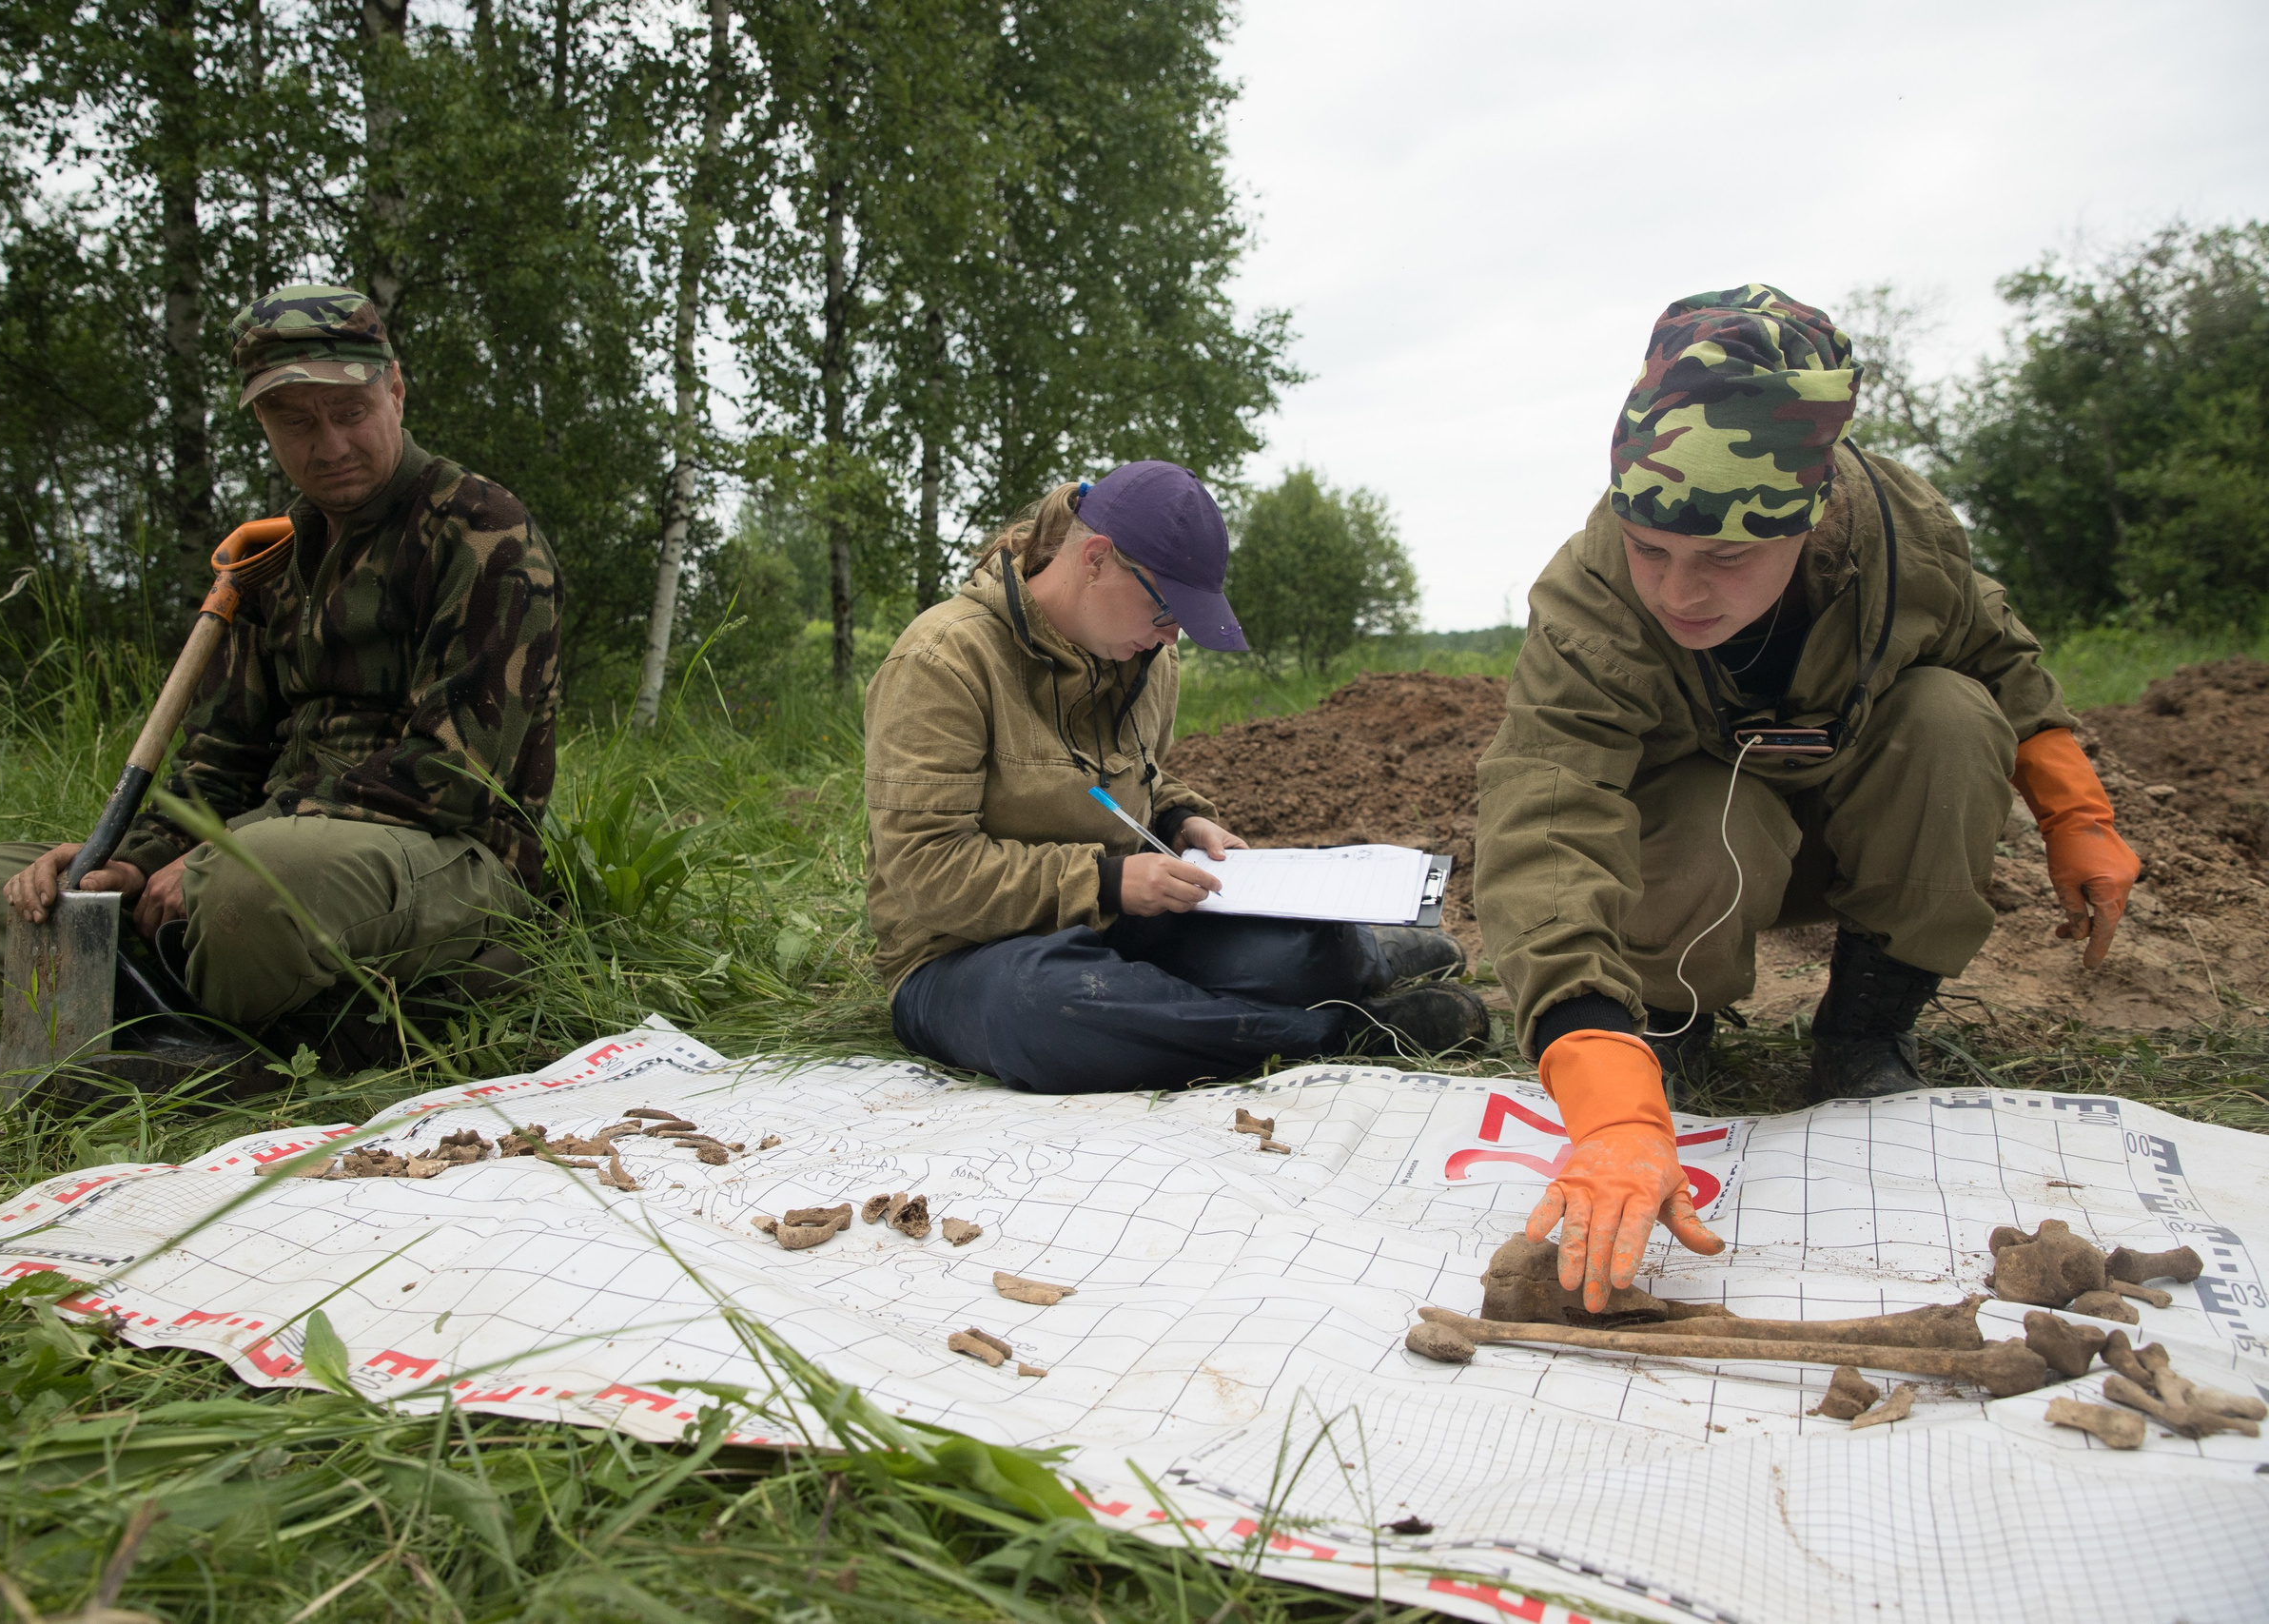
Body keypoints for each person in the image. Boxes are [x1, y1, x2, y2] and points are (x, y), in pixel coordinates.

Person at [1472, 284, 2142, 1309]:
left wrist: (2075, 815)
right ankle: (1665, 1032)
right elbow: (1546, 807)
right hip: (1702, 854)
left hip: (1868, 827)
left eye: (1726, 558)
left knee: (1953, 716)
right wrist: (1601, 1075)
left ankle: (1865, 1031)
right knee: (1713, 810)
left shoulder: (1904, 534)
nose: (1678, 592)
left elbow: (1996, 654)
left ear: (1813, 514)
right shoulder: (1592, 594)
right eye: (1651, 551)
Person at [0, 284, 561, 1071]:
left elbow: (453, 777)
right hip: (263, 857)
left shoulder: (482, 531)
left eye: (351, 411)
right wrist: (133, 859)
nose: (330, 444)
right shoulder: (267, 554)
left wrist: (222, 855)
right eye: (296, 421)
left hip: (448, 858)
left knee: (248, 893)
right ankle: (213, 1025)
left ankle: (176, 1025)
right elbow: (218, 761)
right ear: (262, 423)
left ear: (396, 391)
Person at [867, 460, 1487, 1093]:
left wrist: (1178, 818)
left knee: (1299, 949)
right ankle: (1342, 1032)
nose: (1172, 634)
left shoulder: (1144, 656)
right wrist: (1106, 882)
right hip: (965, 954)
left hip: (1120, 918)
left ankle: (1361, 960)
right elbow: (925, 868)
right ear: (1096, 560)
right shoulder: (943, 661)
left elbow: (1138, 779)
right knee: (1047, 1008)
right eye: (1165, 607)